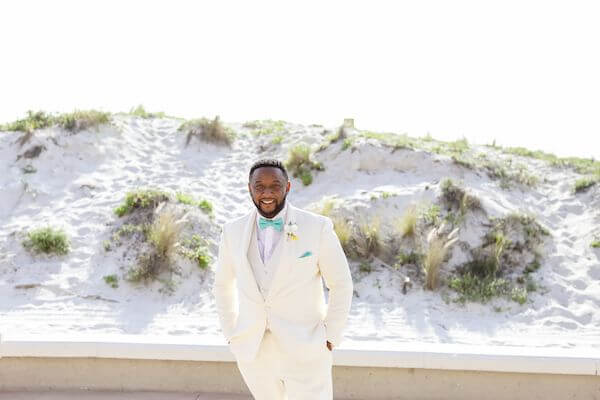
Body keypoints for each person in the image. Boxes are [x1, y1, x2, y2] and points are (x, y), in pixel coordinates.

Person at [212, 158, 354, 400]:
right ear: (250, 188)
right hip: (254, 352)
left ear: (287, 187)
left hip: (307, 348)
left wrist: (331, 336)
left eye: (275, 186)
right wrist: (231, 333)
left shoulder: (316, 227)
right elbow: (223, 285)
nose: (267, 193)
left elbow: (341, 283)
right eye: (259, 186)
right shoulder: (232, 231)